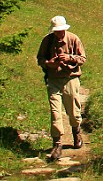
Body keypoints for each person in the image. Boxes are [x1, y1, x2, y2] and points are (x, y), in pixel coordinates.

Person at [36, 15, 87, 161]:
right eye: (56, 31)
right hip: (53, 80)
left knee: (73, 111)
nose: (59, 33)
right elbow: (40, 58)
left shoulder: (73, 38)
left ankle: (76, 131)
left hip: (70, 78)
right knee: (55, 111)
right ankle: (57, 144)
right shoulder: (47, 40)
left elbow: (82, 58)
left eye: (61, 31)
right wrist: (48, 63)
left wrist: (70, 58)